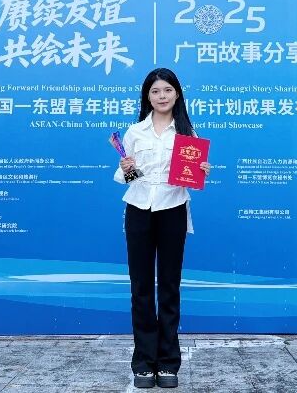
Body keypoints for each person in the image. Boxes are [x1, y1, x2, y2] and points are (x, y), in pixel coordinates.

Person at [114, 68, 211, 389]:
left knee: (169, 287)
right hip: (139, 210)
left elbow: (192, 181)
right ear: (147, 96)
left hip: (173, 210)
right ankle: (143, 363)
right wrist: (127, 169)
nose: (162, 96)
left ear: (177, 94)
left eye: (167, 90)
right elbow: (129, 179)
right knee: (141, 288)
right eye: (155, 91)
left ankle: (168, 362)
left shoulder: (187, 133)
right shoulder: (135, 132)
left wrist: (202, 171)